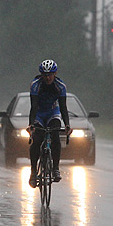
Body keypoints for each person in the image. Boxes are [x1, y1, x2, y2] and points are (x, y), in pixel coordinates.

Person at [27, 59, 72, 188]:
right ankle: (34, 171)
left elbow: (63, 107)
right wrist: (31, 125)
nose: (47, 77)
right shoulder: (35, 85)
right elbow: (34, 106)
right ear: (41, 74)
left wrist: (67, 124)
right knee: (36, 140)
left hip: (53, 112)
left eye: (50, 74)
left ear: (55, 73)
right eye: (45, 75)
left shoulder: (60, 86)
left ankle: (55, 168)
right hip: (39, 113)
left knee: (55, 136)